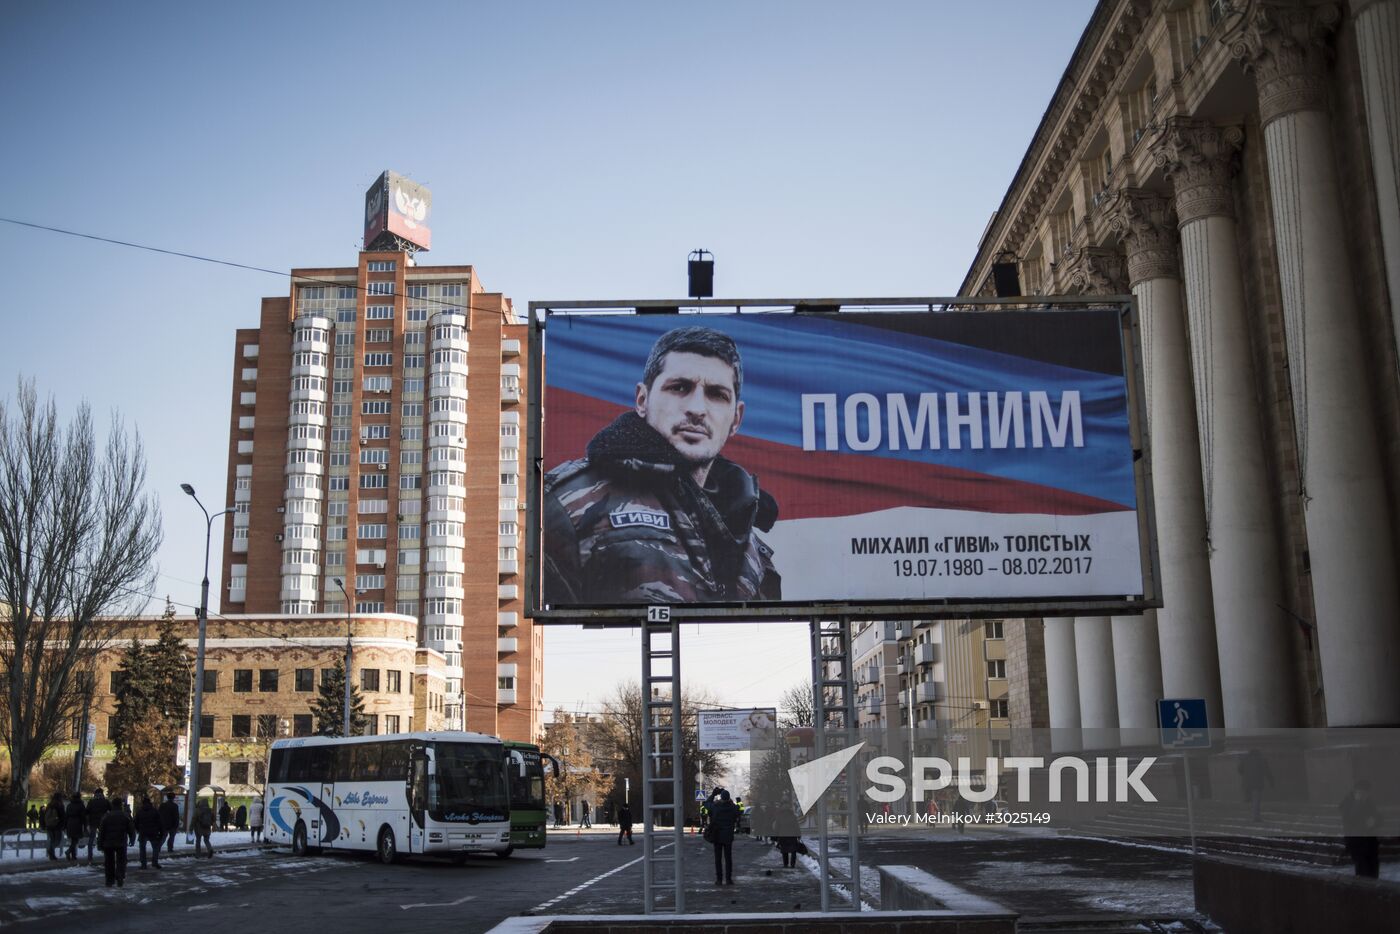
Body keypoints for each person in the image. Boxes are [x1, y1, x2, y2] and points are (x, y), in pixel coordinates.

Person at [543, 325, 781, 605]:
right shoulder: (567, 502)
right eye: (679, 388)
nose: (697, 409)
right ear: (642, 400)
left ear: (736, 419)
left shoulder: (750, 542)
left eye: (717, 394)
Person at [1339, 779, 1380, 878]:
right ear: (1356, 791)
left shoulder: (1368, 800)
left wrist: (1374, 821)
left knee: (1373, 865)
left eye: (1367, 793)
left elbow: (1377, 816)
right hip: (1355, 839)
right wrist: (1357, 803)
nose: (1365, 795)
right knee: (1361, 866)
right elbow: (1350, 818)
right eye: (1362, 792)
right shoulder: (1348, 802)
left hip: (1369, 839)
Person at [97, 797, 136, 888]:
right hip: (121, 841)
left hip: (108, 842)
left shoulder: (106, 816)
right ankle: (120, 877)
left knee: (109, 862)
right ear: (120, 805)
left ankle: (109, 880)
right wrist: (132, 839)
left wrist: (100, 843)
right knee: (121, 860)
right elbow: (131, 829)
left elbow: (101, 831)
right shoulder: (125, 815)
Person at [706, 788, 741, 885]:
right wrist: (737, 802)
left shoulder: (716, 807)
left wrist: (713, 794)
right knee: (728, 858)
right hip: (728, 836)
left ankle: (719, 879)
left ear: (721, 798)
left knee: (718, 859)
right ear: (729, 798)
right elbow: (739, 812)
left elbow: (706, 804)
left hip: (717, 836)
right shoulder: (733, 807)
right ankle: (728, 879)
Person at [1238, 748, 1273, 823]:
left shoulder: (1245, 759)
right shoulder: (1261, 759)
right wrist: (1271, 782)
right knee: (1256, 800)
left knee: (1251, 799)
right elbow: (1267, 771)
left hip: (1246, 783)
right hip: (1257, 783)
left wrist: (1245, 775)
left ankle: (1248, 801)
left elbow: (1240, 769)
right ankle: (1255, 817)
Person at [135, 796, 162, 869]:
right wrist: (160, 831)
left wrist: (138, 829)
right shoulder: (155, 811)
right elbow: (159, 822)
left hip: (143, 832)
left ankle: (143, 864)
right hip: (153, 832)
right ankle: (155, 862)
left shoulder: (139, 811)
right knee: (155, 848)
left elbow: (136, 822)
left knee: (142, 848)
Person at [85, 788, 111, 865]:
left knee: (91, 839)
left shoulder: (91, 801)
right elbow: (111, 809)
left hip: (93, 822)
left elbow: (87, 811)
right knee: (104, 838)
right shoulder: (105, 801)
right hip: (103, 822)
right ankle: (106, 856)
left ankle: (90, 856)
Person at [773, 798, 802, 868]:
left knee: (784, 850)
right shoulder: (793, 815)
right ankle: (792, 864)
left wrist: (776, 835)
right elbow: (796, 826)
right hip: (792, 835)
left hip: (783, 835)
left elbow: (777, 826)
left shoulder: (779, 816)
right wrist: (799, 835)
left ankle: (785, 864)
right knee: (793, 850)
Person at [63, 791, 87, 861]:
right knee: (75, 840)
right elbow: (83, 817)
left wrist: (65, 826)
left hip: (69, 823)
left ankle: (73, 856)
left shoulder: (69, 805)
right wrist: (85, 826)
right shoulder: (81, 805)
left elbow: (66, 816)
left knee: (73, 840)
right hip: (77, 823)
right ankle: (69, 851)